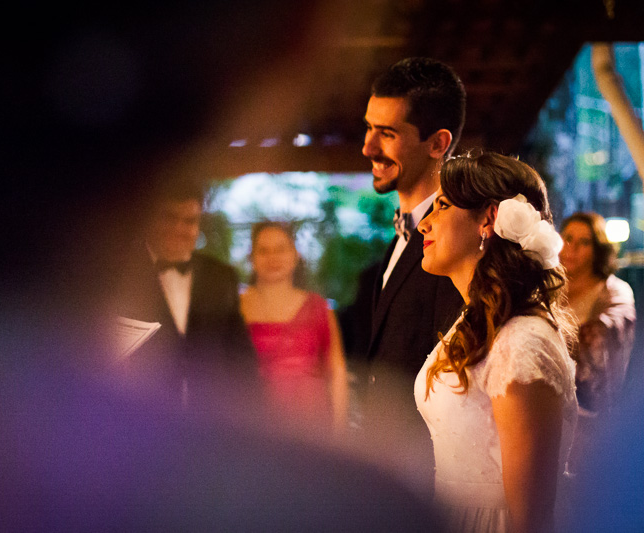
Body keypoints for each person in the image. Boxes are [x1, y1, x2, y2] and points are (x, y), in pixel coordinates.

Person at [415, 151, 578, 532]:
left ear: (487, 219)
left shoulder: (522, 342)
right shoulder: (473, 322)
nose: (423, 224)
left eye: (442, 206)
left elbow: (531, 516)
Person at [353, 56, 466, 493]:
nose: (367, 147)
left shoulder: (456, 245)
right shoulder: (398, 240)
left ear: (438, 143)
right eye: (369, 127)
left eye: (387, 133)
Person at [107, 180, 257, 405]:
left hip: (210, 414)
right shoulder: (119, 275)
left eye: (189, 221)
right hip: (141, 411)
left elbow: (238, 353)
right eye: (170, 218)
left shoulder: (221, 275)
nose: (179, 229)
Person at [239, 221, 349, 430]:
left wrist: (339, 431)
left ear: (295, 254)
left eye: (281, 249)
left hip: (311, 427)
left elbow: (337, 371)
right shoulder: (236, 308)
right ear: (251, 258)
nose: (273, 257)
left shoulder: (319, 308)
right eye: (263, 250)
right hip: (254, 425)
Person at [559, 211, 636, 474]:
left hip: (589, 416)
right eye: (568, 238)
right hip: (547, 405)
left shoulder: (614, 291)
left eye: (584, 242)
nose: (572, 248)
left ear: (598, 249)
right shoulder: (549, 287)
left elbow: (611, 333)